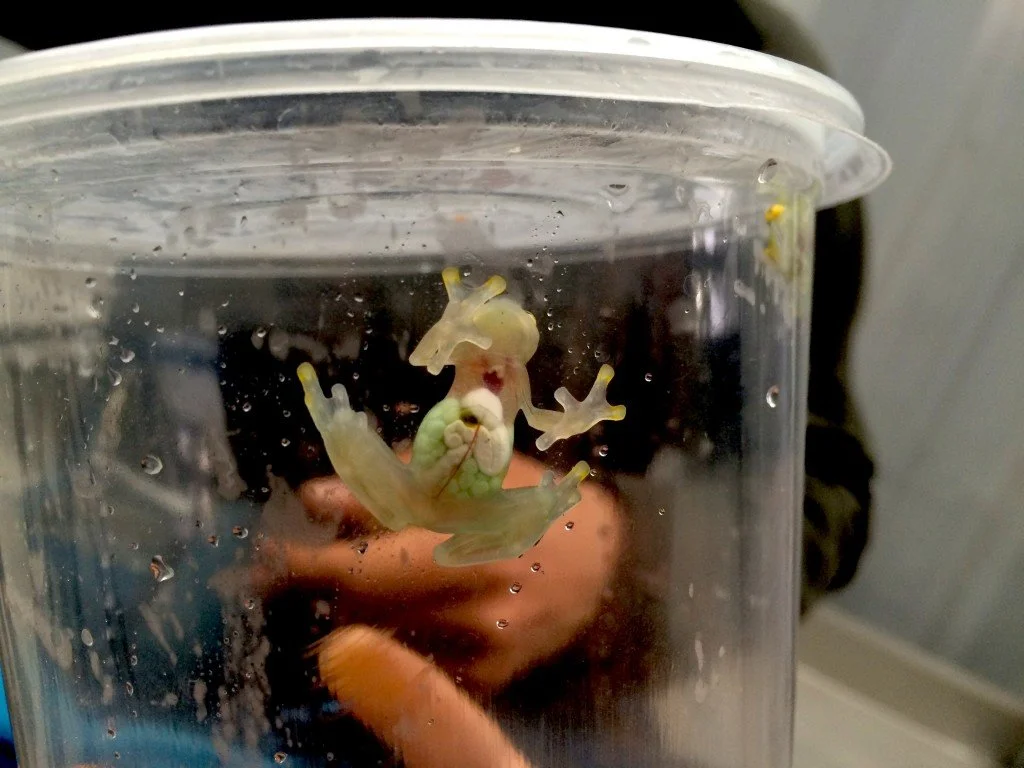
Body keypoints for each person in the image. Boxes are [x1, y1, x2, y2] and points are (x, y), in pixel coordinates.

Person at [4, 4, 873, 766]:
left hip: (532, 689)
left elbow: (819, 476)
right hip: (176, 605)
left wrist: (621, 554)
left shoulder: (729, 70)